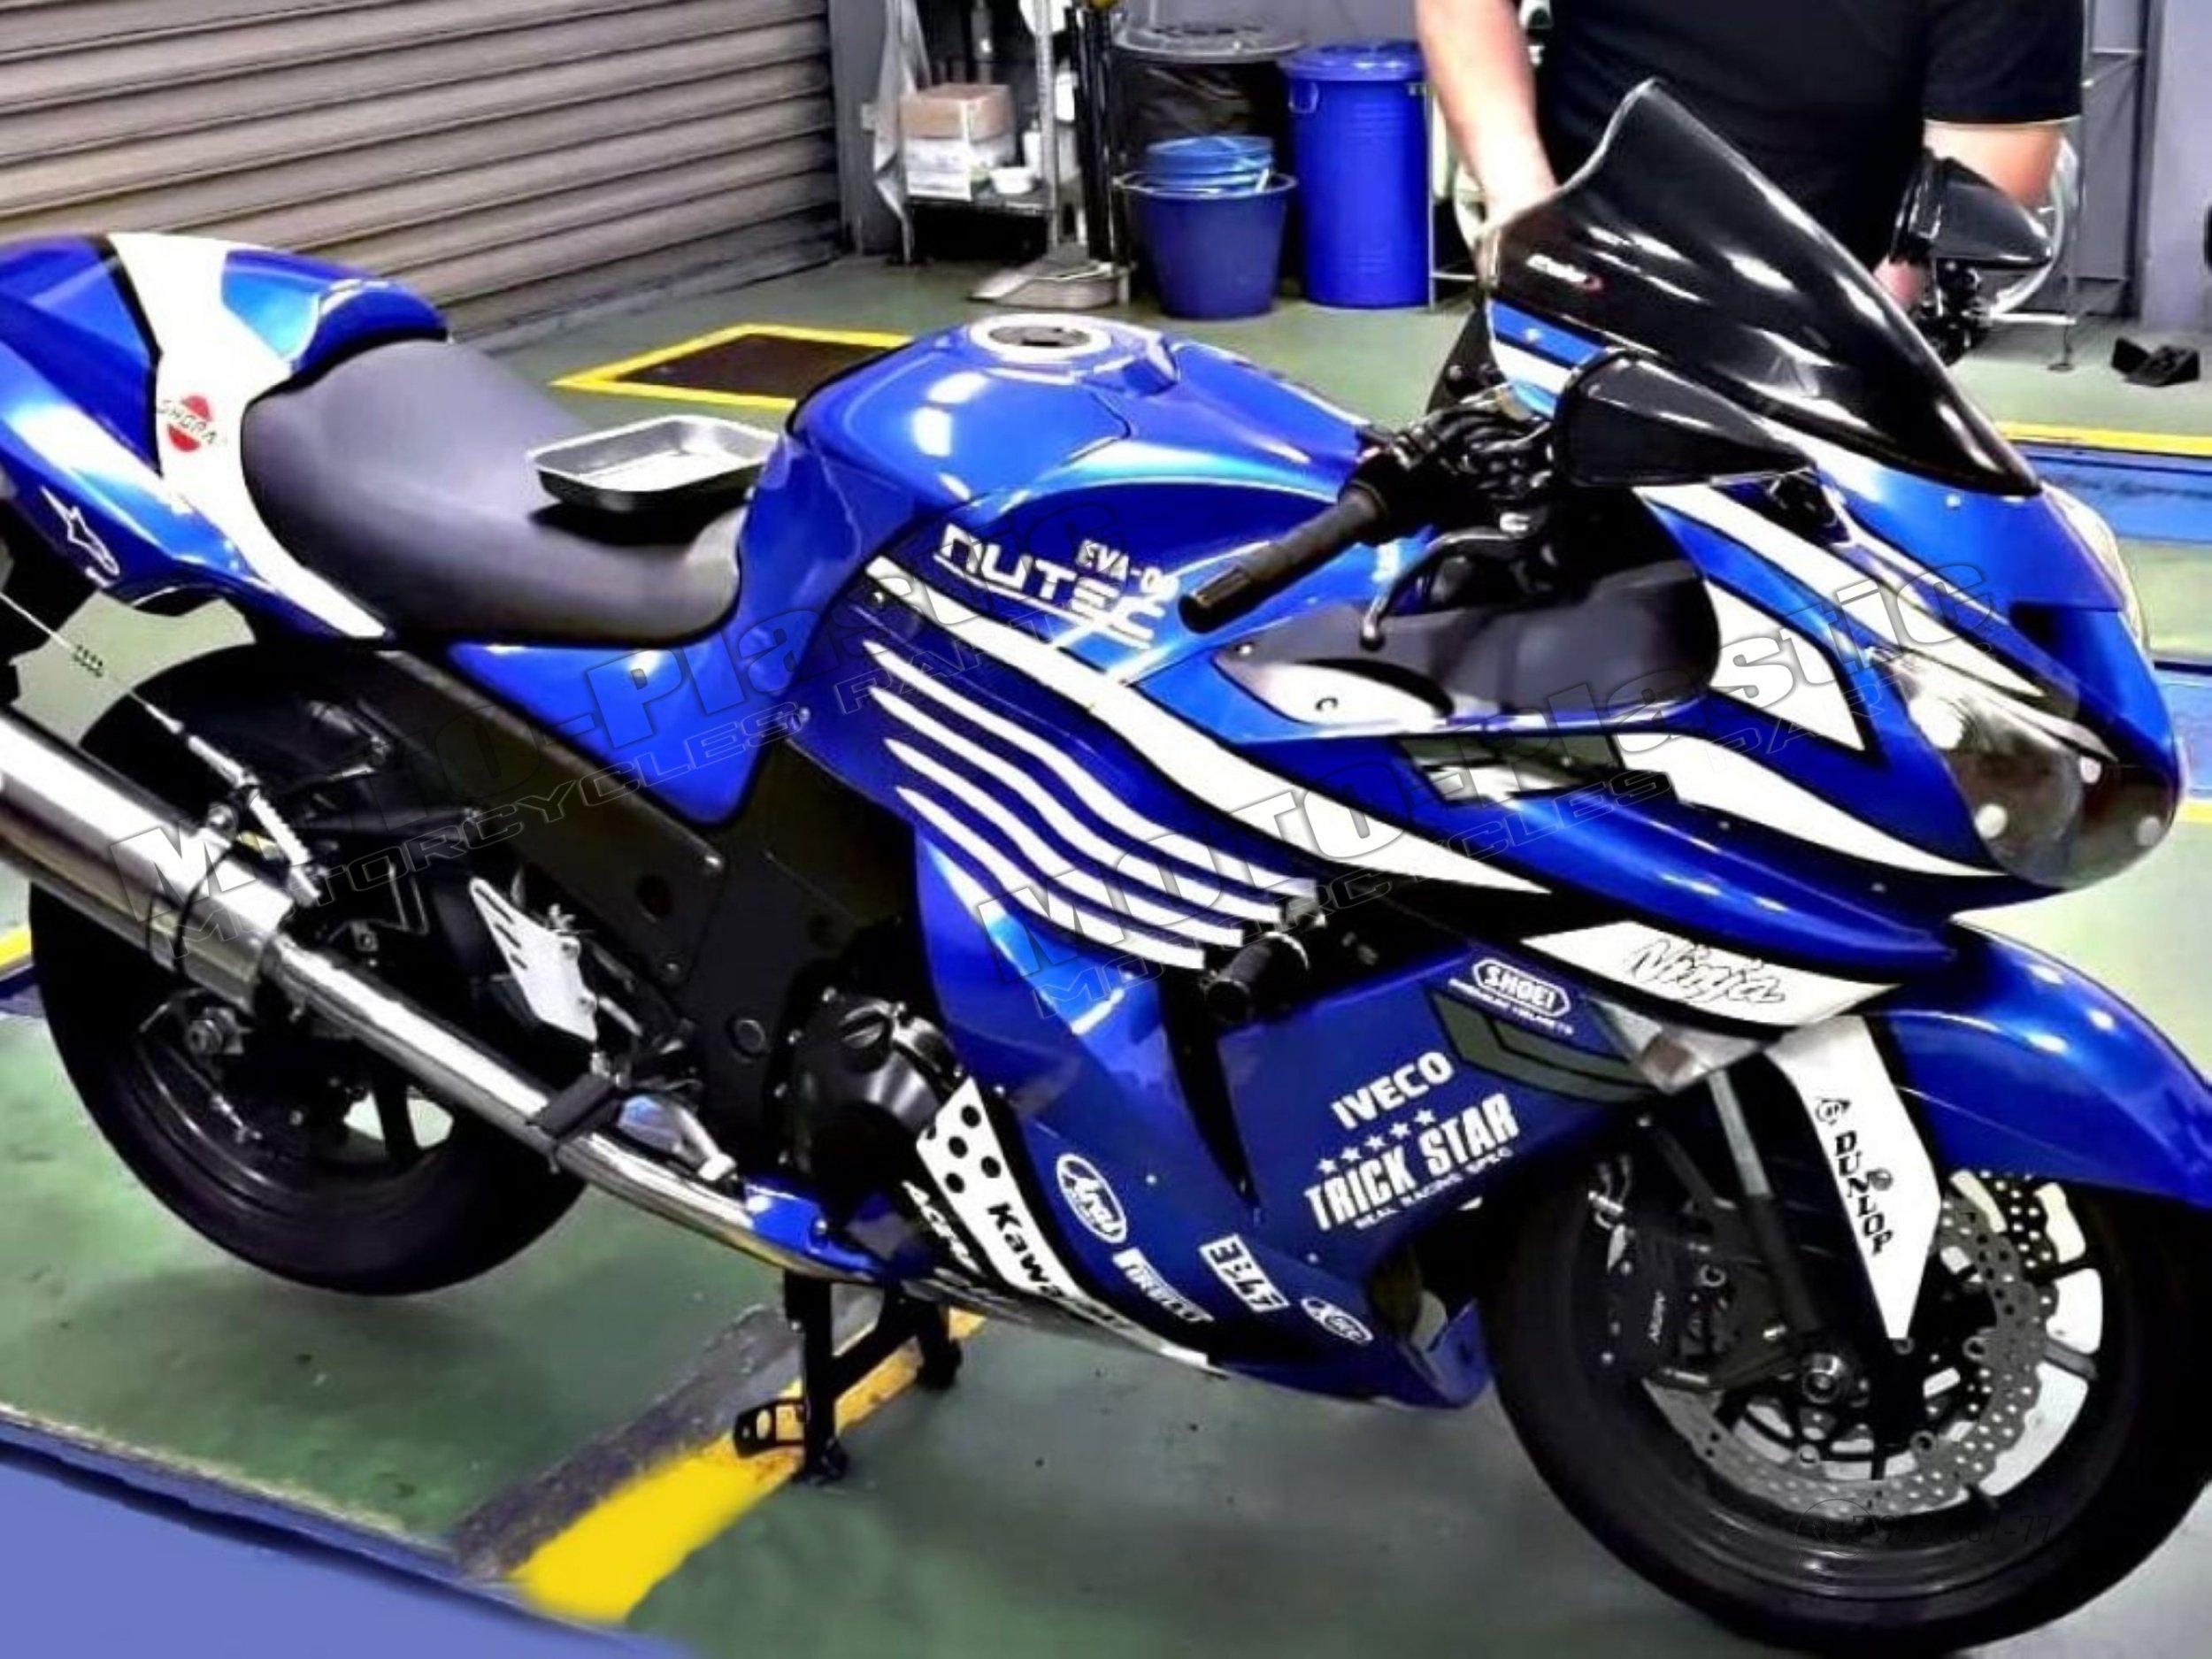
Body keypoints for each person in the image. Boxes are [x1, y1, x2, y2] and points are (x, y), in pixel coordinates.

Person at [1417, 0, 2084, 285]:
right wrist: (1525, 213)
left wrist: (1862, 353)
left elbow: (1985, 169)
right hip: (1577, 284)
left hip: (1837, 321)